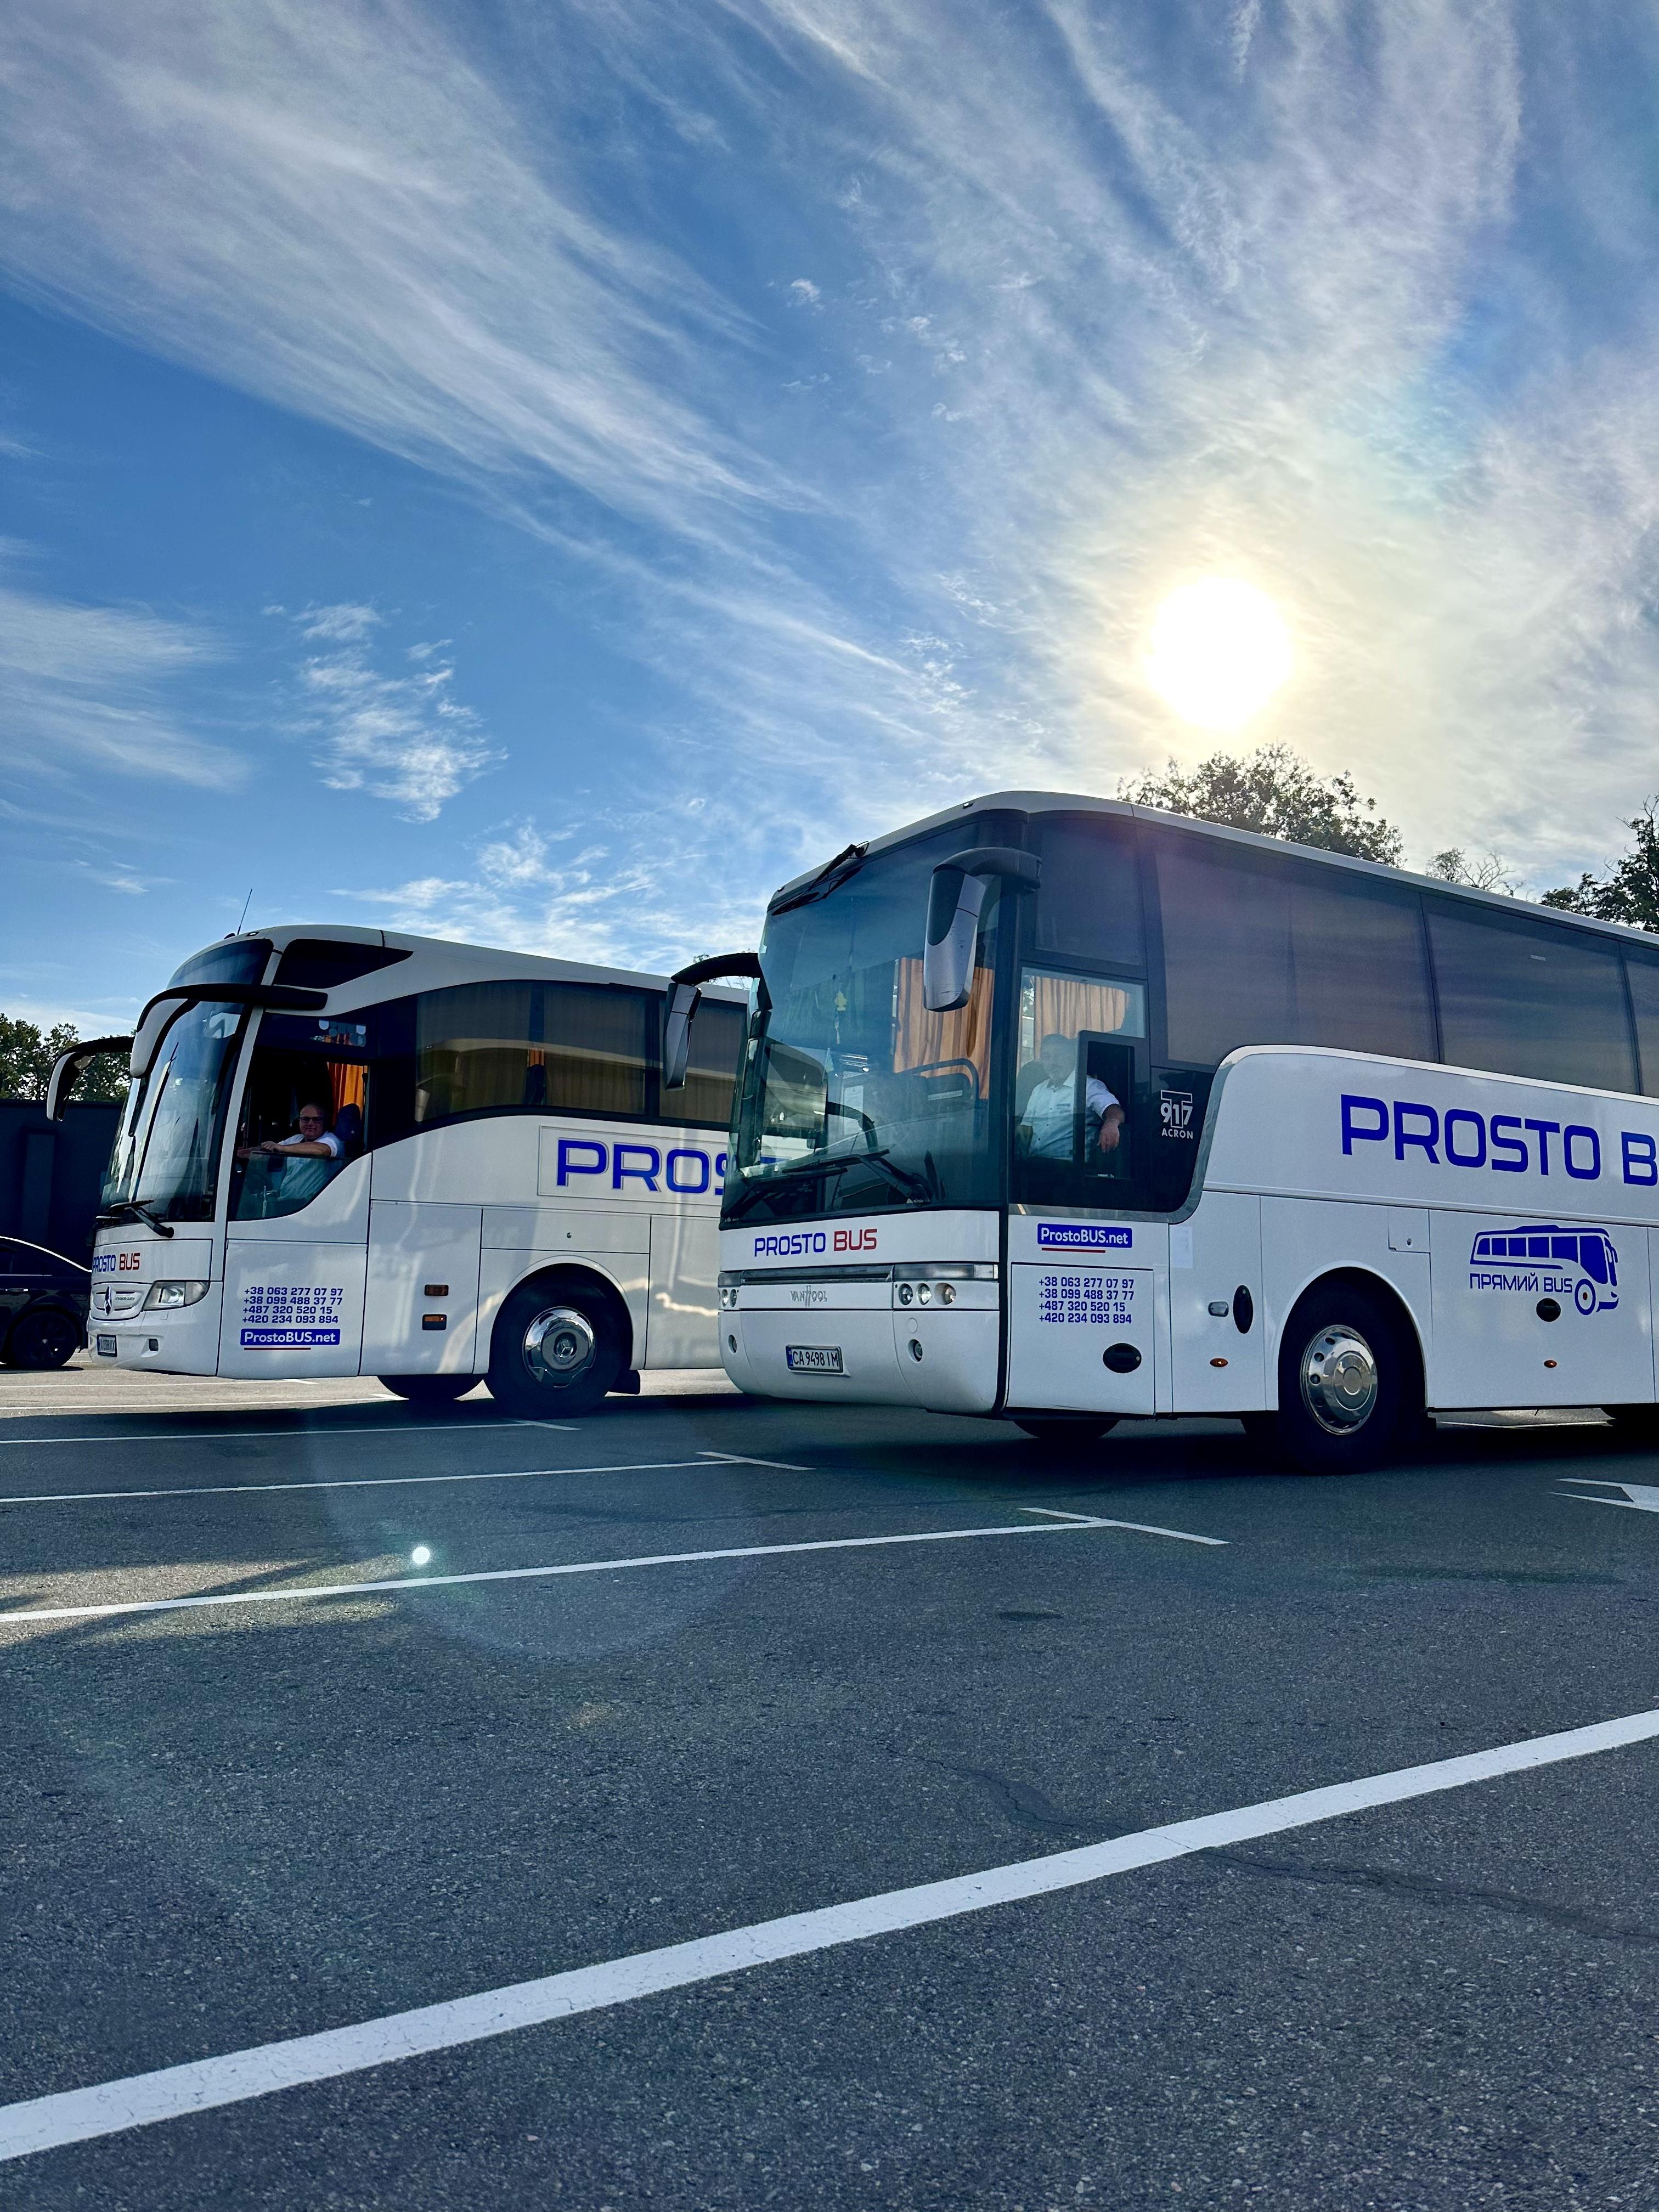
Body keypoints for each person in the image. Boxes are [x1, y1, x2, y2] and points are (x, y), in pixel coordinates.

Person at [1017, 1032, 1122, 1161]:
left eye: (1059, 1055)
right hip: (1033, 1162)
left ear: (1072, 1057)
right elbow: (1026, 1128)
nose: (1053, 1062)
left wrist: (1111, 1123)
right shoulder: (1039, 1090)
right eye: (1047, 1057)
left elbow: (1114, 1110)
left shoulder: (1088, 1086)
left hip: (1067, 1167)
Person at [237, 1102, 342, 1210]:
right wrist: (244, 1153)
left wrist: (281, 1148)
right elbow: (268, 1154)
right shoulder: (296, 1139)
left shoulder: (331, 1140)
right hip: (287, 1203)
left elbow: (323, 1150)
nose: (311, 1123)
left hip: (311, 1206)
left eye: (317, 1120)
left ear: (324, 1122)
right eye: (306, 1119)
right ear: (299, 1121)